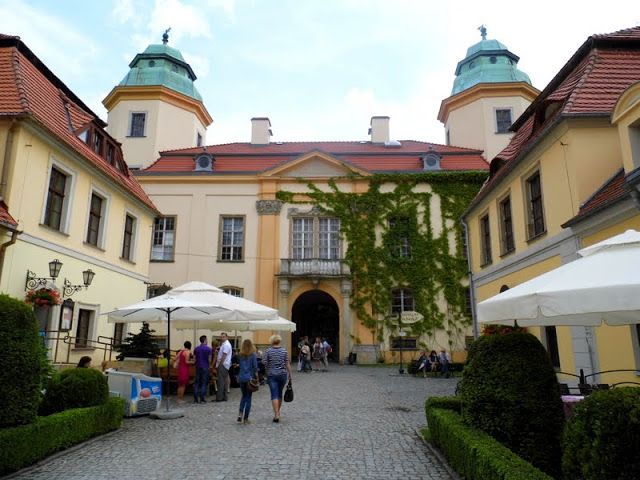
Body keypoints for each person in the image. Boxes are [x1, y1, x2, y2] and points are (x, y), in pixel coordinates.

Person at [262, 334, 292, 423]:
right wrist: (290, 374)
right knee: (279, 393)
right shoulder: (284, 351)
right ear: (279, 341)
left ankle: (276, 414)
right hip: (282, 374)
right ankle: (278, 412)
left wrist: (268, 365)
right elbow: (287, 363)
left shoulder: (268, 351)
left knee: (274, 394)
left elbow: (264, 362)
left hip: (271, 375)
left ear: (272, 341)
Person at [237, 338, 258, 424]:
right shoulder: (253, 355)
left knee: (243, 396)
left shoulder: (240, 355)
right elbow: (255, 367)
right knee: (248, 398)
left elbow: (240, 366)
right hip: (249, 378)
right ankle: (246, 418)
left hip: (241, 378)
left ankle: (240, 413)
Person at [193, 335, 212, 403]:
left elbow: (194, 359)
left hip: (198, 367)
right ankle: (202, 398)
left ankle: (195, 398)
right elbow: (209, 359)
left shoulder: (196, 349)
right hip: (205, 367)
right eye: (206, 340)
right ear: (205, 340)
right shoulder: (209, 349)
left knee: (197, 382)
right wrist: (209, 365)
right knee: (204, 383)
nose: (207, 341)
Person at [215, 332, 232, 402]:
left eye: (223, 337)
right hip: (225, 365)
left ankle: (219, 398)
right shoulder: (224, 344)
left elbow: (224, 355)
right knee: (224, 382)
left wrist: (220, 364)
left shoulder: (226, 345)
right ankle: (224, 397)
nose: (222, 338)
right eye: (221, 337)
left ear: (227, 337)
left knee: (221, 382)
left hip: (223, 364)